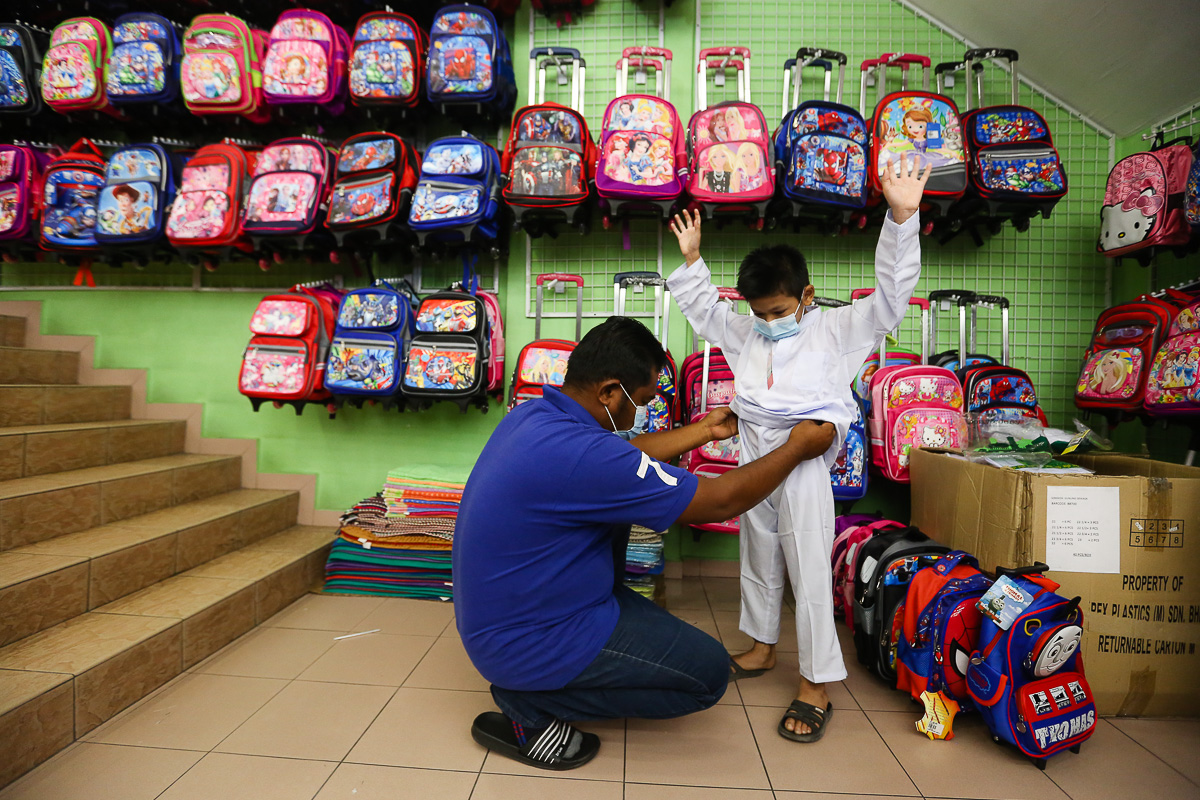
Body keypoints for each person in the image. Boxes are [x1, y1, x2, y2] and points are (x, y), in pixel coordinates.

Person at [454, 316, 836, 770]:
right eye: (642, 400)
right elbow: (718, 501)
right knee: (707, 674)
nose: (644, 412)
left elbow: (627, 457)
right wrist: (796, 448)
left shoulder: (539, 415)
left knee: (653, 617)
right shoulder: (583, 455)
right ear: (609, 392)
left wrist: (706, 430)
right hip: (528, 639)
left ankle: (536, 678)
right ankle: (529, 703)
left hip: (517, 617)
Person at [665, 153, 932, 743]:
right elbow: (709, 312)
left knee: (809, 568)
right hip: (753, 453)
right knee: (757, 554)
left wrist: (901, 219)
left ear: (806, 296)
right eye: (759, 314)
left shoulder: (836, 329)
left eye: (779, 312)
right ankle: (762, 647)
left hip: (805, 458)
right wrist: (692, 260)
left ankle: (816, 684)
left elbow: (891, 298)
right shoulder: (750, 328)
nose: (767, 323)